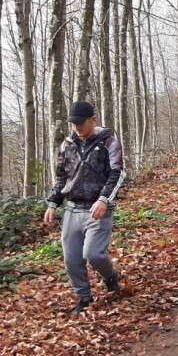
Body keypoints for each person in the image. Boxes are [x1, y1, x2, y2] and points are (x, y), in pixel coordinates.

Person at [43, 101, 124, 315]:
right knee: (71, 259)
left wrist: (104, 200)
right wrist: (52, 203)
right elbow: (61, 176)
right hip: (72, 209)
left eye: (80, 123)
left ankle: (110, 277)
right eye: (73, 123)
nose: (76, 127)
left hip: (98, 209)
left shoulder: (108, 142)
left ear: (93, 120)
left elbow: (117, 173)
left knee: (94, 254)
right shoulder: (67, 145)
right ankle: (84, 297)